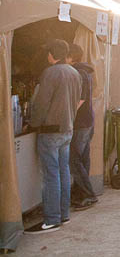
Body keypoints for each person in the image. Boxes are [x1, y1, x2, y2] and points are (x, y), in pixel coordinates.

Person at [25, 39, 82, 234]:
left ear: (52, 54)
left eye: (47, 52)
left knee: (51, 175)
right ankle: (63, 214)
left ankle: (51, 219)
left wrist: (32, 123)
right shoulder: (74, 72)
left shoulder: (50, 73)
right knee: (63, 171)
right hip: (68, 128)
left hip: (50, 130)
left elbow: (41, 104)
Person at [67, 44, 97, 210]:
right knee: (83, 159)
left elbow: (80, 100)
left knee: (74, 160)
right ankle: (81, 193)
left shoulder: (78, 73)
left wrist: (68, 115)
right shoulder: (85, 72)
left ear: (71, 57)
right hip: (87, 121)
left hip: (80, 122)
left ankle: (88, 194)